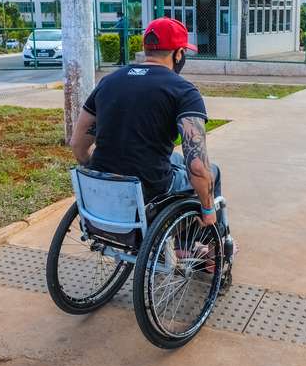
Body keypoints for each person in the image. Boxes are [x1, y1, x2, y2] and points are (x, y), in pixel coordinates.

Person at [70, 17, 226, 233]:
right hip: (151, 189)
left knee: (177, 160)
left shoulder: (109, 81)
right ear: (178, 53)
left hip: (106, 186)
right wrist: (209, 211)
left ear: (146, 49)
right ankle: (209, 243)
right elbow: (198, 168)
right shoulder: (183, 90)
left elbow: (78, 145)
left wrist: (105, 170)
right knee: (211, 172)